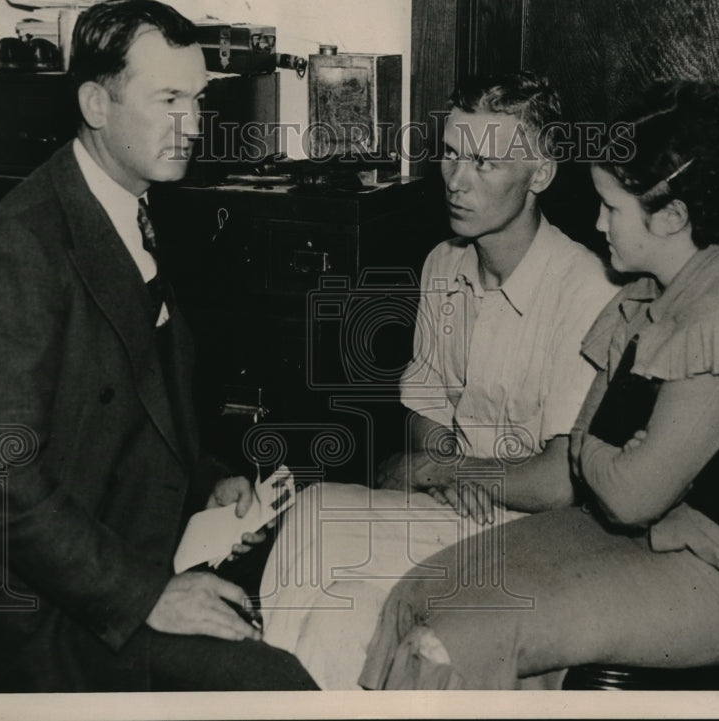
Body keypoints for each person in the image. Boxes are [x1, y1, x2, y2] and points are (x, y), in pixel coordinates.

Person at [359, 80, 719, 690]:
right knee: (422, 590)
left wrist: (607, 454)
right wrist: (615, 455)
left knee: (457, 635)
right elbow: (603, 467)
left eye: (612, 207)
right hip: (644, 539)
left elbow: (624, 491)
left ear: (673, 215)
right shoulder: (645, 294)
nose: (596, 220)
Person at [0, 0, 317, 692]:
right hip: (52, 611)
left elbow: (129, 410)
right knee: (274, 683)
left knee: (317, 589)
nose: (193, 124)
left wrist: (207, 478)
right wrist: (149, 594)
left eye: (200, 99)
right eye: (169, 98)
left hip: (137, 551)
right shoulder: (20, 247)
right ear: (96, 103)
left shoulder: (134, 203)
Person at [258, 71, 618, 689]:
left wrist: (440, 469)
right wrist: (445, 462)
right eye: (451, 153)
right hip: (455, 502)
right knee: (318, 527)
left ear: (540, 174)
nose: (456, 179)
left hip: (536, 535)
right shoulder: (444, 262)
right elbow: (426, 403)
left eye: (484, 161)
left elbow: (560, 480)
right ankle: (266, 689)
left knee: (340, 591)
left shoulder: (586, 290)